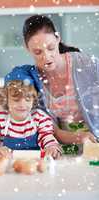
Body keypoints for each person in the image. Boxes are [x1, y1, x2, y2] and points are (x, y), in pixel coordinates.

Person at [7, 14, 99, 144]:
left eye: (51, 48)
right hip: (59, 150)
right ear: (27, 49)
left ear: (58, 38)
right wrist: (73, 137)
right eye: (38, 52)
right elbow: (44, 124)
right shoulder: (31, 79)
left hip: (94, 146)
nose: (47, 57)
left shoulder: (86, 65)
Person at [0, 67, 61, 159]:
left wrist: (51, 147)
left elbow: (47, 137)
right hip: (7, 165)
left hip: (35, 164)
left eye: (27, 99)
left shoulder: (40, 117)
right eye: (16, 100)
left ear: (34, 99)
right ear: (6, 99)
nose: (22, 104)